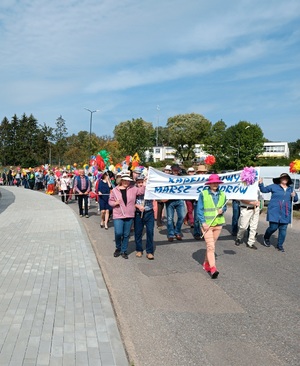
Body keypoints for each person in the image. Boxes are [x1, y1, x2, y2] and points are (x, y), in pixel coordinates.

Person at [108, 172, 145, 259]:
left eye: (128, 181)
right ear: (121, 181)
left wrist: (145, 183)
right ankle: (118, 247)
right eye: (124, 180)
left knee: (126, 234)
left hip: (129, 214)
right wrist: (114, 203)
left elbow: (141, 191)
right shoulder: (114, 190)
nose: (126, 182)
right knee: (118, 232)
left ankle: (124, 250)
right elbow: (110, 201)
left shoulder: (133, 188)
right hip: (118, 214)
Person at [197, 174, 227, 279]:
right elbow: (199, 209)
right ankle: (213, 268)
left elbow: (225, 206)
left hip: (218, 223)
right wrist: (203, 222)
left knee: (212, 246)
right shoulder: (203, 194)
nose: (215, 184)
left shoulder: (223, 194)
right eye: (213, 182)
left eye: (216, 182)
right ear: (209, 184)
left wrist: (222, 210)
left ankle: (206, 264)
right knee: (211, 246)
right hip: (207, 224)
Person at [259, 173, 298, 252]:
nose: (284, 179)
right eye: (283, 178)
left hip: (285, 212)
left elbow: (295, 200)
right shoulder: (274, 186)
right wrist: (260, 183)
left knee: (283, 229)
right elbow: (263, 190)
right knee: (273, 227)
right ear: (280, 179)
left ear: (288, 180)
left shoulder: (291, 189)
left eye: (286, 178)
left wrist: (294, 195)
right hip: (274, 211)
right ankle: (266, 237)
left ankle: (280, 245)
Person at [134, 175, 155, 260]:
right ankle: (139, 249)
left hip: (149, 212)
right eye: (139, 182)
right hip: (139, 213)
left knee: (150, 231)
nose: (140, 184)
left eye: (142, 182)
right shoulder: (134, 190)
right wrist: (138, 206)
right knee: (138, 232)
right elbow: (131, 202)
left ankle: (149, 251)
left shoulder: (149, 189)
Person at [165, 164, 185, 241]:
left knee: (181, 217)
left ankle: (177, 231)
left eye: (177, 170)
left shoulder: (182, 178)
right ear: (172, 170)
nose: (176, 171)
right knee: (170, 218)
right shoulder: (167, 178)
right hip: (169, 201)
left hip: (179, 200)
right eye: (174, 170)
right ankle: (171, 234)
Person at [193, 164, 208, 240]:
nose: (202, 173)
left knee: (205, 218)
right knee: (196, 218)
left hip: (206, 202)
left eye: (203, 172)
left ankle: (204, 232)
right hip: (197, 201)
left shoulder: (208, 179)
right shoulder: (194, 179)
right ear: (198, 172)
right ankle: (196, 233)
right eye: (200, 172)